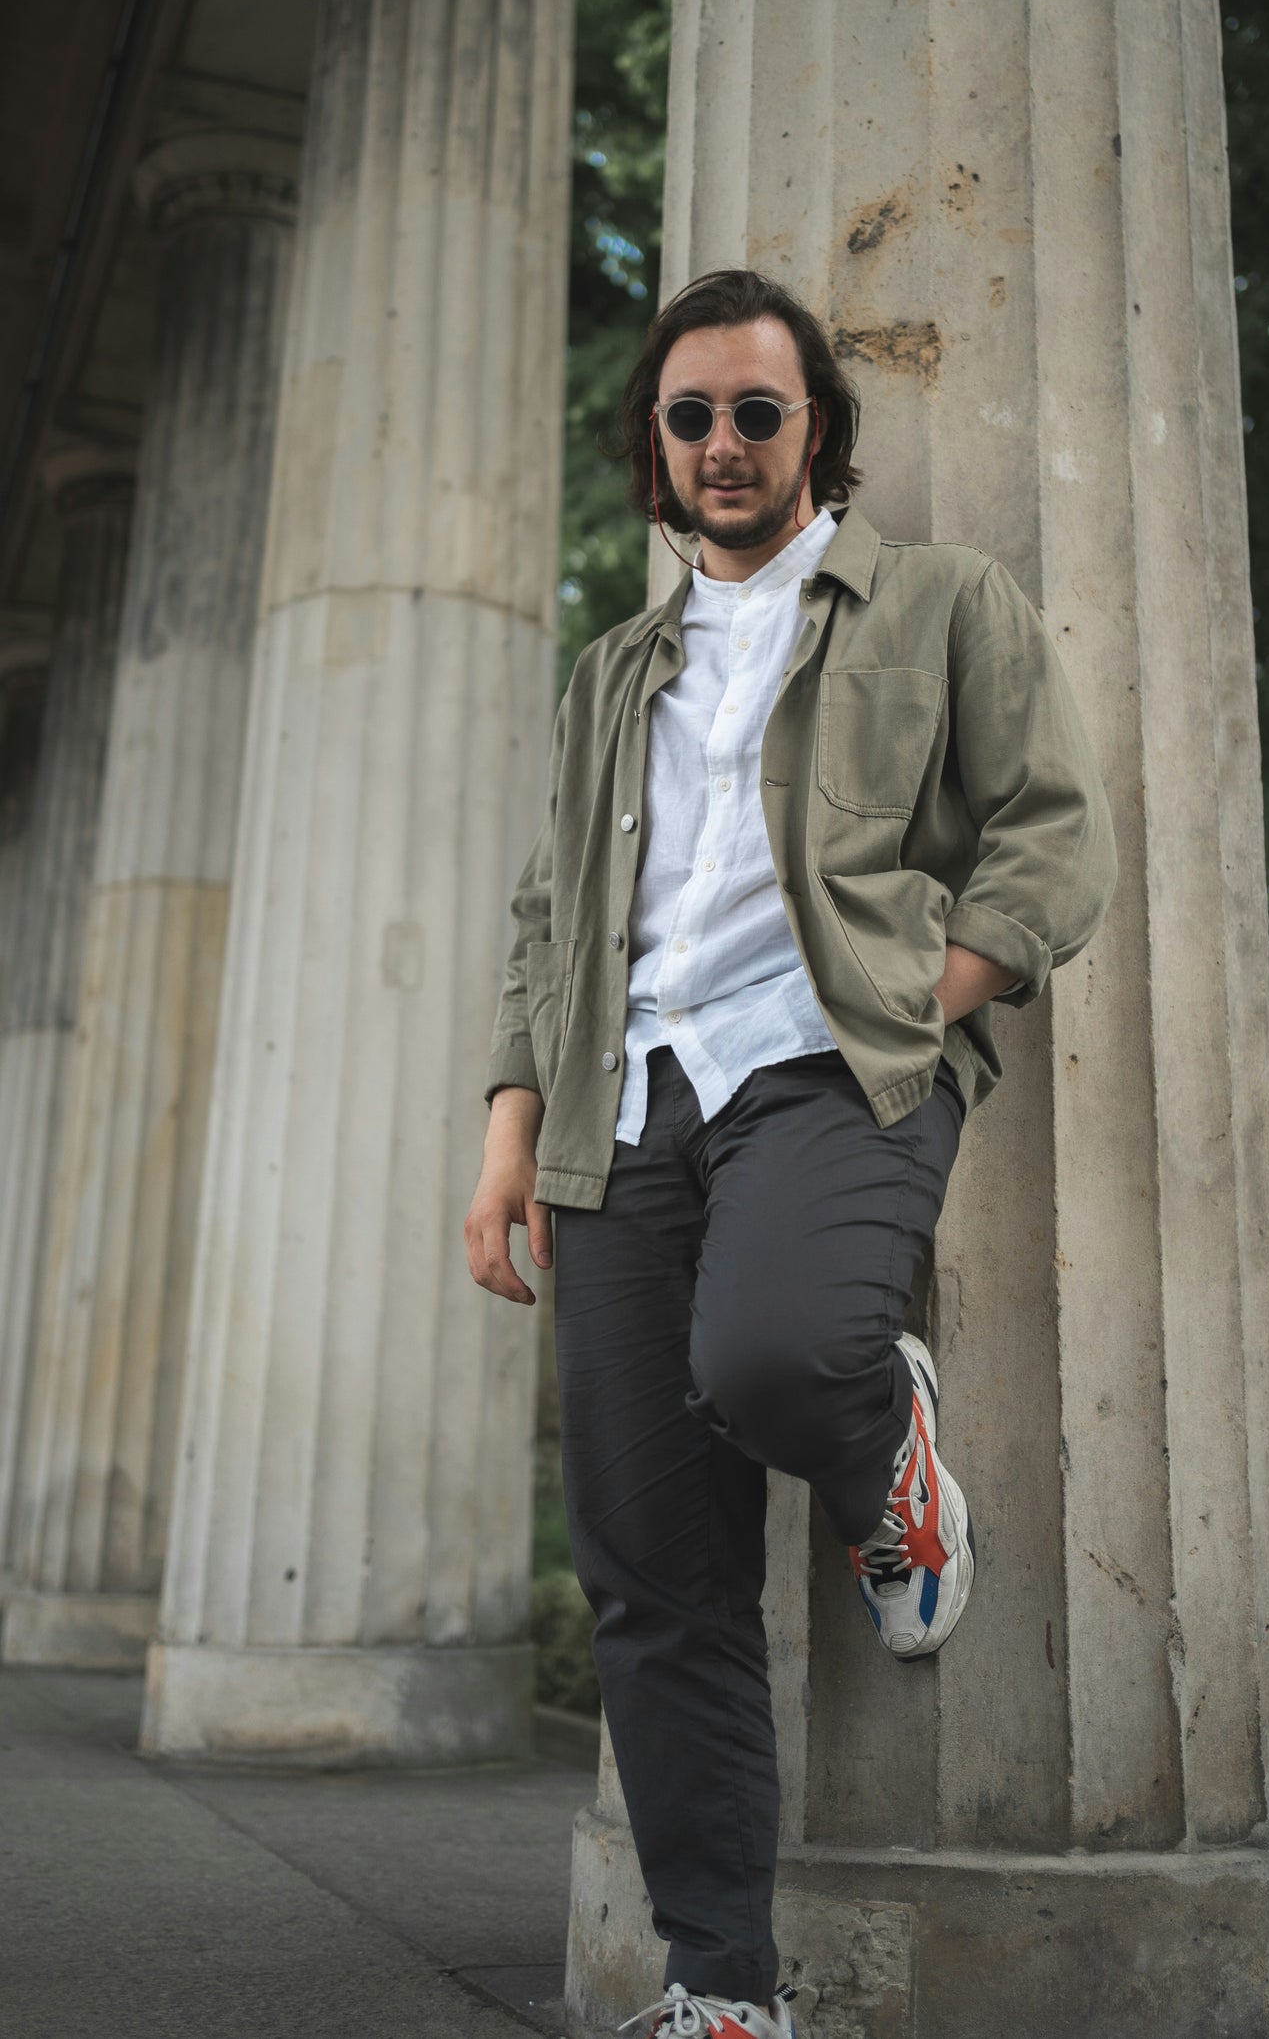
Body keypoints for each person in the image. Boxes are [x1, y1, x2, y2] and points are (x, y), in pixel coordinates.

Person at [465, 269, 1116, 2039]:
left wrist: (916, 995)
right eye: (692, 416)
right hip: (622, 1109)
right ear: (655, 445)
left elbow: (1054, 835)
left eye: (760, 410)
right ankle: (726, 1993)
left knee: (775, 1350)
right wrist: (512, 1134)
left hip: (828, 1066)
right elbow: (550, 916)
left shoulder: (941, 602)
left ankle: (885, 1452)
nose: (726, 442)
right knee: (646, 1564)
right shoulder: (612, 671)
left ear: (818, 428)